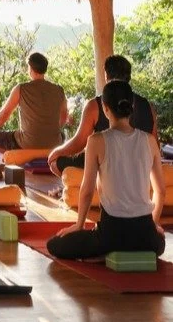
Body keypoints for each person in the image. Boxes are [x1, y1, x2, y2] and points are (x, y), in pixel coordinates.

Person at [46, 80, 166, 261]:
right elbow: (160, 191)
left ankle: (103, 253)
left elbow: (86, 191)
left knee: (54, 245)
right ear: (132, 105)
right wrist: (153, 224)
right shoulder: (149, 140)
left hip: (111, 235)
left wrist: (79, 225)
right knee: (161, 243)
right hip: (146, 238)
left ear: (105, 108)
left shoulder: (96, 141)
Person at [48, 56, 157, 175]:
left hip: (107, 165)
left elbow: (78, 143)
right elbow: (155, 144)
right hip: (138, 166)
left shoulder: (95, 105)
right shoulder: (148, 106)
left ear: (106, 75)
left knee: (55, 163)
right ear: (129, 76)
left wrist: (56, 152)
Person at [0, 52, 67, 151]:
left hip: (27, 143)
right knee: (63, 136)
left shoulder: (21, 88)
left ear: (30, 68)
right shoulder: (59, 90)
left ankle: (13, 160)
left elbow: (5, 113)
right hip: (55, 143)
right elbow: (64, 117)